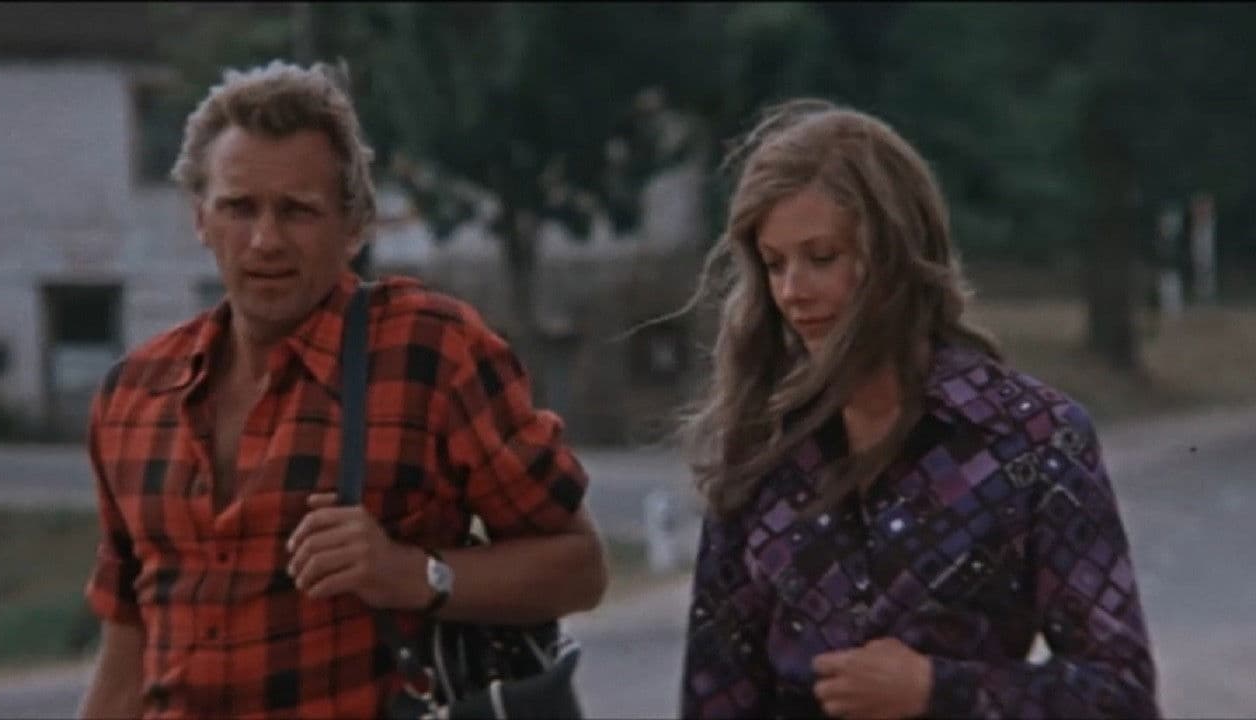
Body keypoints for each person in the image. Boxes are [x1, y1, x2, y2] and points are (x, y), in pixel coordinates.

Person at [77, 60, 607, 719]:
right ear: (200, 218)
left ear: (353, 228)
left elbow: (580, 567)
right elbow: (127, 648)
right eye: (239, 207)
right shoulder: (133, 395)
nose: (265, 241)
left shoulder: (429, 352)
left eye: (298, 211)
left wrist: (413, 574)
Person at [676, 99, 1160, 719]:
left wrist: (938, 688)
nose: (793, 291)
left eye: (821, 257)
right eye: (775, 265)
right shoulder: (762, 445)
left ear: (894, 253)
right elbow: (714, 697)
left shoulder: (1034, 439)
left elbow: (1120, 695)